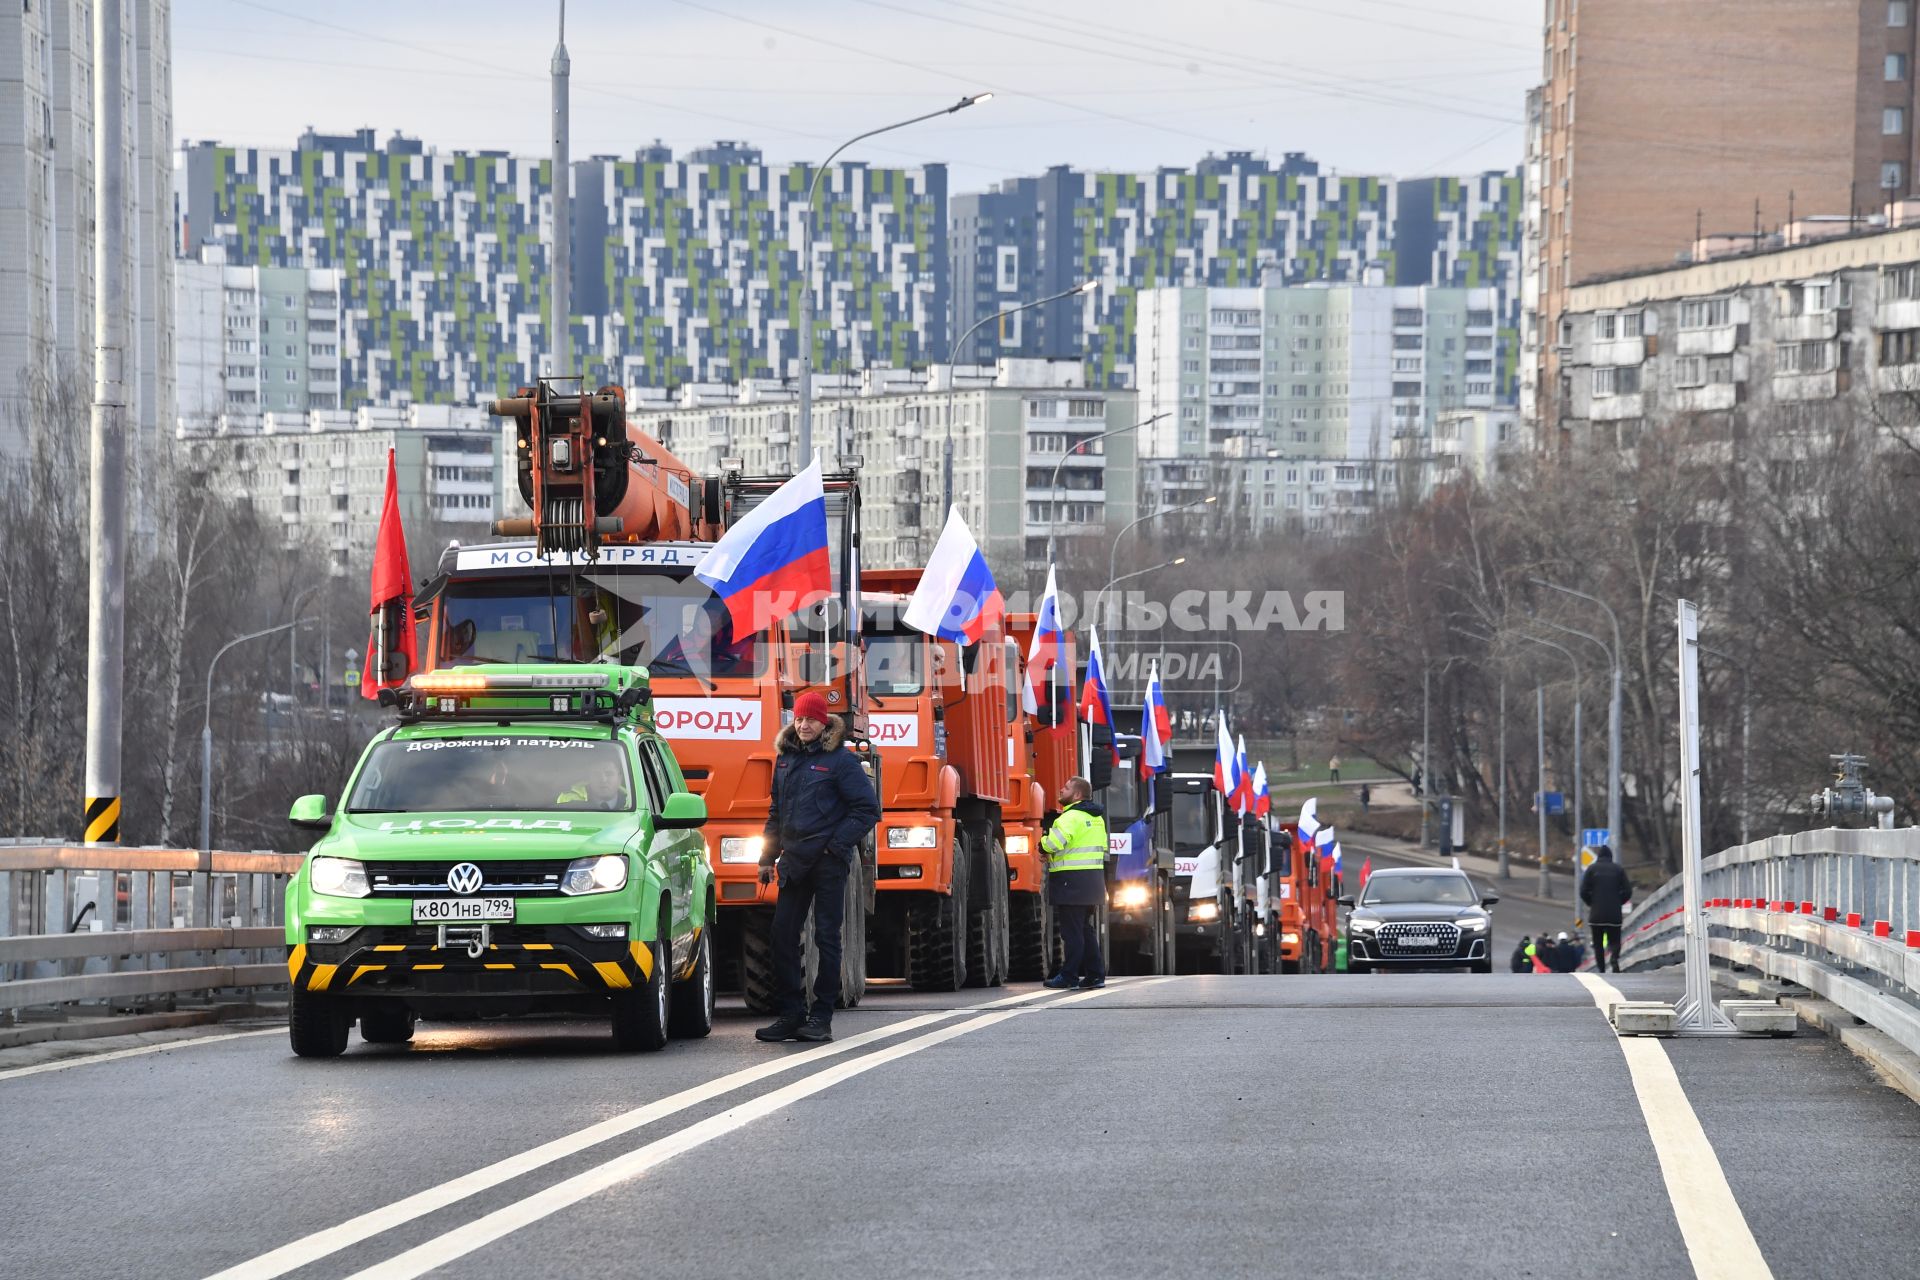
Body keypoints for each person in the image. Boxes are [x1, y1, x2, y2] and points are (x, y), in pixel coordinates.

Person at [755, 691, 881, 1045]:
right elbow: (776, 814)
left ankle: (821, 1018)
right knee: (782, 935)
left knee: (827, 938)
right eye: (798, 719)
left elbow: (867, 809)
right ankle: (791, 1015)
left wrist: (834, 847)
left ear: (824, 722)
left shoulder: (841, 762)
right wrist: (767, 857)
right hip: (793, 862)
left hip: (827, 864)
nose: (804, 724)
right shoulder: (785, 761)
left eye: (810, 719)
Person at [1041, 776, 1110, 991]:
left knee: (1071, 933)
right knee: (1084, 929)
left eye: (1067, 787)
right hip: (1092, 881)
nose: (1061, 789)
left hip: (1071, 881)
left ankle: (1069, 975)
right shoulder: (1096, 817)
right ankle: (1095, 974)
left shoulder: (1070, 817)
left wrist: (1041, 844)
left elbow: (1054, 843)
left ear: (1078, 795)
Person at [1580, 843, 1632, 973]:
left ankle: (1602, 969)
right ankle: (1614, 958)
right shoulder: (1618, 869)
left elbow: (1583, 891)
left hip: (1596, 914)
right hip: (1614, 914)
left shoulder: (1591, 869)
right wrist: (1619, 902)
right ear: (1611, 856)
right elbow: (1628, 890)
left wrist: (1591, 902)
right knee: (1614, 940)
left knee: (1598, 944)